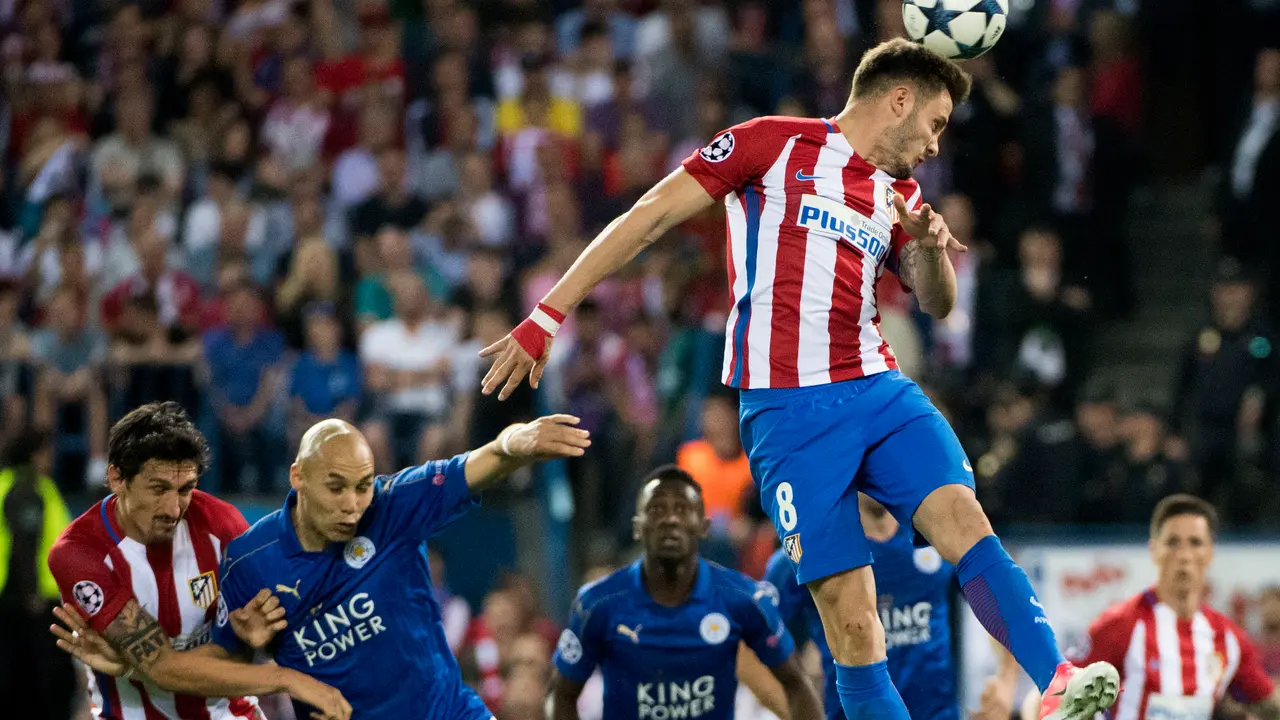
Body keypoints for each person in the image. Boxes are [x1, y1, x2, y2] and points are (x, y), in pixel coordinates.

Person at [480, 37, 1118, 720]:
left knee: (966, 522)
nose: (936, 146)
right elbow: (649, 217)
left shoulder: (899, 193)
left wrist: (930, 251)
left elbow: (936, 302)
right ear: (898, 99)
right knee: (852, 626)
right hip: (788, 414)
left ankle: (1056, 678)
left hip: (876, 387)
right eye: (934, 123)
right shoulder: (769, 145)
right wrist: (547, 315)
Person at [56, 413, 591, 719]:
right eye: (335, 487)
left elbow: (471, 467)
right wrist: (140, 664)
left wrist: (511, 444)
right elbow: (202, 657)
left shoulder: (391, 506)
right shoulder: (248, 559)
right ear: (297, 478)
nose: (353, 504)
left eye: (362, 485)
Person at [45, 401, 350, 720]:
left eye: (185, 489)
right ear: (117, 478)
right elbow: (162, 667)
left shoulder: (223, 526)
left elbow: (271, 635)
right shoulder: (80, 552)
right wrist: (285, 679)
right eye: (158, 489)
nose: (174, 509)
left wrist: (253, 644)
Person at [546, 465, 822, 720]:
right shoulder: (597, 604)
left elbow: (796, 683)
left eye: (682, 509)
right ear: (637, 528)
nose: (670, 519)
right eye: (656, 510)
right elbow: (561, 692)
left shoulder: (743, 599)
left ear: (703, 526)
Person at [745, 493, 1018, 720]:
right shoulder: (811, 551)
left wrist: (1005, 682)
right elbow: (748, 648)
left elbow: (1003, 600)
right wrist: (800, 711)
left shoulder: (932, 533)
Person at [1022, 494, 1280, 720]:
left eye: (1195, 543)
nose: (1184, 555)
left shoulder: (1228, 639)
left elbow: (1267, 703)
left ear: (1210, 552)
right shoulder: (1122, 624)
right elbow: (1047, 692)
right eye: (1173, 542)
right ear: (1154, 549)